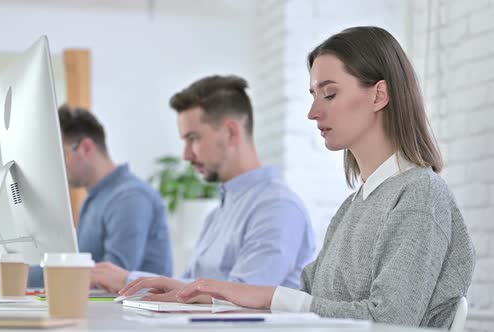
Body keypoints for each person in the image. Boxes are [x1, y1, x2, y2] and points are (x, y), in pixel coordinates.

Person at [119, 27, 476, 328]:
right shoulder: (355, 205)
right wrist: (198, 294)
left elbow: (391, 320)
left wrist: (269, 296)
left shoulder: (420, 195)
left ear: (379, 95)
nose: (313, 112)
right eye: (313, 95)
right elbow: (307, 294)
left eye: (330, 94)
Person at [91, 75, 315, 293]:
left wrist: (128, 279)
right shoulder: (216, 215)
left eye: (193, 138)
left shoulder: (278, 208)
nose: (186, 155)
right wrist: (127, 281)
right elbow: (187, 287)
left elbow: (242, 297)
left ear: (230, 132)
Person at [27, 105, 173, 287]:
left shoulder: (129, 198)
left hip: (135, 313)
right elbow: (81, 267)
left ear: (86, 147)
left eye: (60, 155)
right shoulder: (94, 199)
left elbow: (110, 276)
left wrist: (22, 275)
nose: (55, 167)